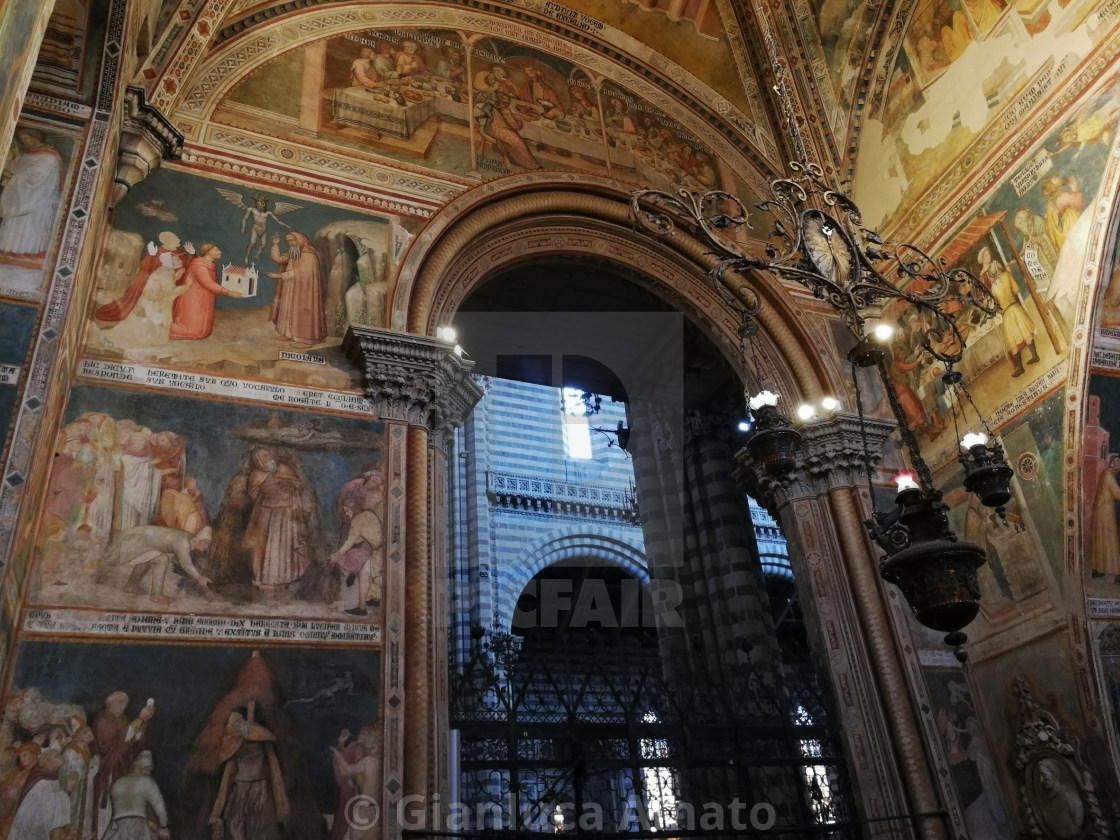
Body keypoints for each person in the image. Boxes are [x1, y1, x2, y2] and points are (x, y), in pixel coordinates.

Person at [208, 709, 289, 840]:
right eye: (234, 723)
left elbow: (273, 771)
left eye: (239, 721)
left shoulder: (261, 739)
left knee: (261, 830)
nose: (237, 724)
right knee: (238, 830)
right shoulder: (231, 746)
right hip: (241, 795)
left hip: (260, 793)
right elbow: (225, 785)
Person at [244, 447, 315, 589]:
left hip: (287, 513)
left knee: (285, 547)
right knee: (266, 547)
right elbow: (253, 496)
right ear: (256, 460)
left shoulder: (284, 469)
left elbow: (298, 487)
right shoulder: (256, 475)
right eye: (263, 456)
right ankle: (264, 578)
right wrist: (271, 496)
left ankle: (286, 576)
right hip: (267, 514)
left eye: (268, 455)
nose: (267, 458)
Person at [95, 232, 194, 324]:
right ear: (167, 241)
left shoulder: (179, 252)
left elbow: (188, 266)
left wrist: (192, 254)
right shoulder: (157, 252)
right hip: (158, 286)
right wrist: (151, 255)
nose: (179, 242)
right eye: (175, 240)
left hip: (177, 283)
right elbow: (146, 268)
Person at [100, 524, 212, 605]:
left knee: (151, 558)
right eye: (206, 544)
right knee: (162, 559)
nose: (206, 547)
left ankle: (130, 586)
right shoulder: (183, 542)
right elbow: (185, 563)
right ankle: (156, 595)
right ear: (200, 540)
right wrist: (199, 577)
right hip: (135, 540)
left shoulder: (187, 538)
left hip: (140, 540)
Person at [0, 128, 63, 260]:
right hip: (23, 196)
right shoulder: (30, 153)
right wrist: (16, 154)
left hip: (39, 199)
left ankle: (29, 251)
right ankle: (10, 249)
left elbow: (35, 178)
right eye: (23, 140)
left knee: (30, 224)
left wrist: (11, 176)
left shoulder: (49, 157)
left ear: (35, 136)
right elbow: (22, 168)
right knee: (15, 221)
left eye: (27, 138)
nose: (25, 142)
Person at [331, 466, 384, 616]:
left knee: (376, 577)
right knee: (365, 575)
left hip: (378, 552)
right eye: (373, 480)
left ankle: (395, 594)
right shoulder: (365, 513)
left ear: (353, 509)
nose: (346, 514)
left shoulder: (357, 521)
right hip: (375, 550)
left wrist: (335, 556)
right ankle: (362, 607)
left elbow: (350, 541)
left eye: (348, 511)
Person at [980, 246, 1038, 377]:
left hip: (1007, 314)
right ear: (999, 267)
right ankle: (1035, 356)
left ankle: (1020, 368)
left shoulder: (994, 287)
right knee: (1026, 333)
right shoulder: (1008, 275)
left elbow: (996, 304)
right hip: (1016, 308)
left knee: (1013, 342)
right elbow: (1017, 290)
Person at [92, 694, 153, 815]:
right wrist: (140, 719)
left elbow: (132, 742)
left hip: (124, 764)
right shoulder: (104, 720)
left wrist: (141, 725)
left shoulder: (124, 720)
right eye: (121, 702)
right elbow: (115, 741)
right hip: (109, 765)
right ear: (110, 704)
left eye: (125, 703)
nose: (124, 705)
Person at [170, 243, 243, 340]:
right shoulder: (200, 266)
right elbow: (208, 283)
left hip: (204, 298)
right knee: (194, 332)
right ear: (208, 252)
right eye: (217, 250)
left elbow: (213, 282)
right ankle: (161, 327)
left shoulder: (209, 264)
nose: (220, 252)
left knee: (203, 332)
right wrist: (229, 292)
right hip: (194, 300)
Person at [267, 231, 326, 347]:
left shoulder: (309, 255)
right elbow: (278, 258)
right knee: (288, 311)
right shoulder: (295, 253)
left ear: (300, 240)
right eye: (288, 241)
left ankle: (305, 339)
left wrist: (278, 276)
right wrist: (275, 245)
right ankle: (288, 333)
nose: (291, 243)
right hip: (290, 288)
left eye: (293, 240)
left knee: (302, 313)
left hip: (303, 291)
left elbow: (301, 274)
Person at [102, 751, 168, 840]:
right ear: (140, 767)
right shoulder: (147, 781)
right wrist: (164, 826)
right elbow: (159, 805)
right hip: (138, 826)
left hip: (116, 826)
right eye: (147, 769)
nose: (149, 773)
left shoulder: (117, 783)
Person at [479, 93, 540, 171]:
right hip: (499, 130)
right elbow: (516, 127)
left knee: (515, 138)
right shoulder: (505, 110)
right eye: (506, 99)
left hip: (490, 128)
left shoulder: (496, 106)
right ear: (501, 100)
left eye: (508, 100)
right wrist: (519, 120)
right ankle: (532, 165)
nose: (508, 101)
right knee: (518, 143)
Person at [1090, 454, 1120, 583]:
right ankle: (1117, 573)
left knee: (1101, 539)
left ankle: (1098, 569)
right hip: (1105, 513)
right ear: (1112, 463)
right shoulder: (1108, 475)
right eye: (1118, 461)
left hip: (1102, 512)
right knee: (1110, 540)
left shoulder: (1108, 474)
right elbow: (1118, 494)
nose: (1119, 463)